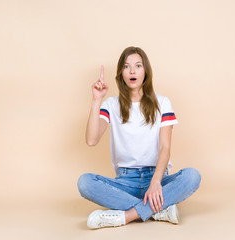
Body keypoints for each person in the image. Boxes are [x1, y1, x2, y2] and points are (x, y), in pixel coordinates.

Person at [77, 46, 201, 229]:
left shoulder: (163, 103)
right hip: (125, 181)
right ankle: (157, 210)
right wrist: (96, 100)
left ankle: (127, 215)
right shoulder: (111, 105)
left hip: (156, 177)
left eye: (138, 66)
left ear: (146, 71)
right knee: (85, 183)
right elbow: (91, 140)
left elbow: (165, 148)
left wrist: (156, 182)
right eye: (126, 67)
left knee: (192, 176)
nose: (132, 71)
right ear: (121, 73)